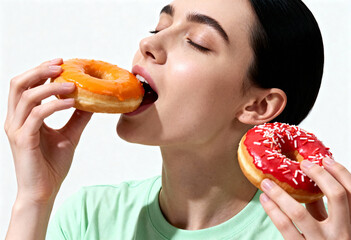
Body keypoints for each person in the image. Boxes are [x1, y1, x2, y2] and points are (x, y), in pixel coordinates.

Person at [4, 0, 351, 239]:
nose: (148, 43)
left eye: (196, 42)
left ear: (259, 105)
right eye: (158, 27)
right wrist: (34, 197)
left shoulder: (310, 231)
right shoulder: (90, 217)